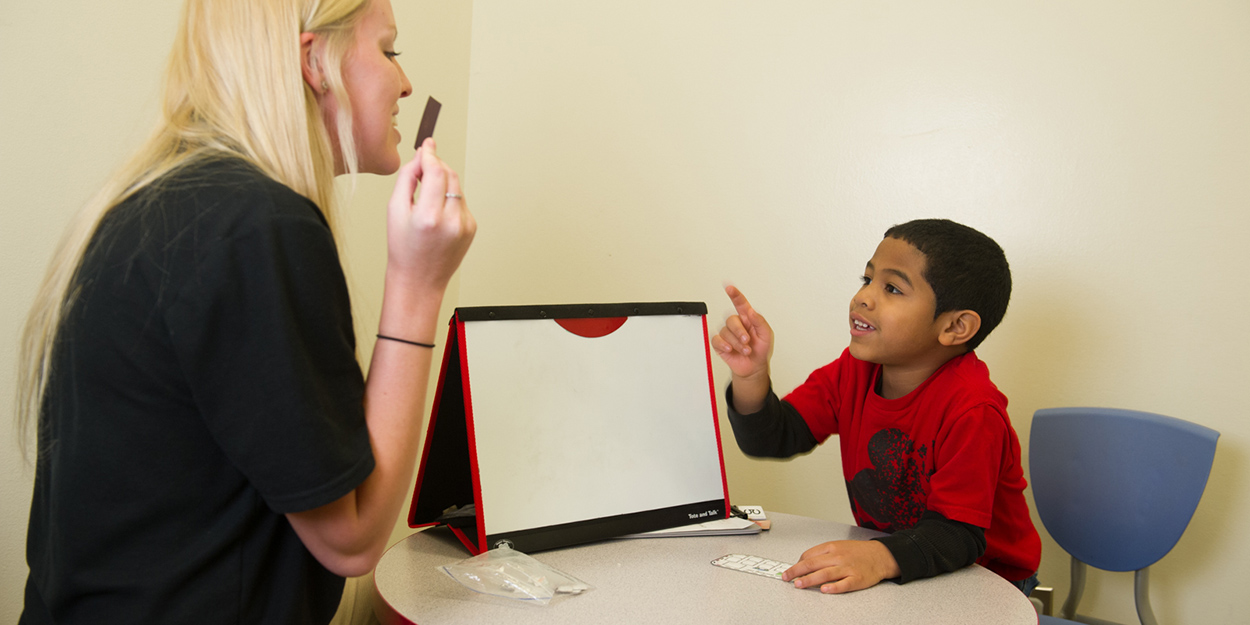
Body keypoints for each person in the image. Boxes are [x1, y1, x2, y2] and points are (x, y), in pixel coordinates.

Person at [16, 0, 475, 622]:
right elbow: (353, 540)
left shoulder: (172, 202)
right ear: (316, 63)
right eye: (389, 50)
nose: (406, 83)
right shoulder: (257, 227)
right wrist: (418, 283)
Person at [712, 218, 1040, 595]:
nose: (863, 297)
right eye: (866, 279)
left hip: (988, 581)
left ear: (955, 327)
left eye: (893, 288)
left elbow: (957, 536)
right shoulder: (854, 371)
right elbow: (774, 438)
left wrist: (879, 557)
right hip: (904, 563)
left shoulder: (973, 410)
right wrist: (752, 377)